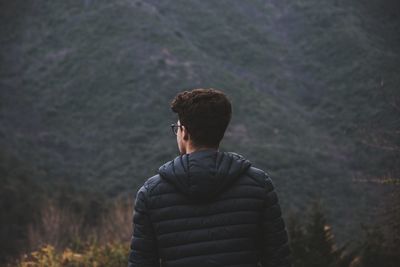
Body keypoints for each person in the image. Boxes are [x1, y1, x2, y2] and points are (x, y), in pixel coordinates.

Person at [128, 88, 292, 267]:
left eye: (176, 128)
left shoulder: (150, 193)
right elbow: (278, 260)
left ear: (184, 132)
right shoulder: (259, 185)